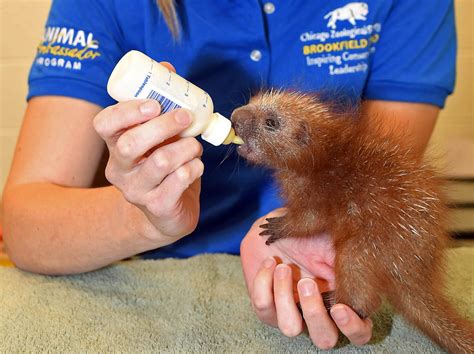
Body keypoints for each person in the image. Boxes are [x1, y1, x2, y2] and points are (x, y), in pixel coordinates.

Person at [2, 0, 456, 349]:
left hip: (318, 238)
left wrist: (322, 237)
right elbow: (24, 227)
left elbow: (381, 186)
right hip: (157, 279)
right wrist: (141, 217)